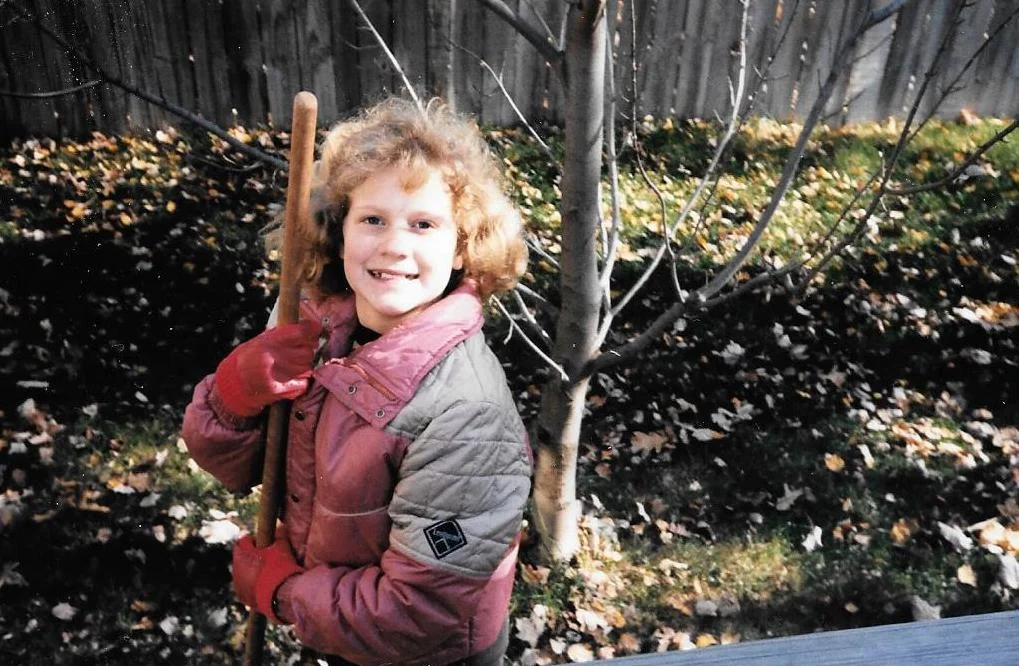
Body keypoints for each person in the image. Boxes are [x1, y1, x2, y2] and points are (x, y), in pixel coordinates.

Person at [181, 97, 531, 666]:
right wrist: (235, 392)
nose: (394, 245)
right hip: (342, 625)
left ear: (462, 248)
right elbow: (232, 466)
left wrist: (284, 592)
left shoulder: (467, 415)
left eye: (423, 224)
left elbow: (418, 611)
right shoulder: (309, 326)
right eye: (372, 219)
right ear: (339, 233)